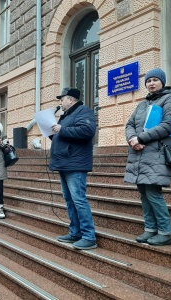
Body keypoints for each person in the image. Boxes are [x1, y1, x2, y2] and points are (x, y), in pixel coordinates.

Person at [125, 68, 171, 246]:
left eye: (155, 80)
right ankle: (150, 228)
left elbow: (170, 124)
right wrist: (132, 139)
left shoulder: (170, 99)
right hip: (139, 153)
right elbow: (130, 124)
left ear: (162, 82)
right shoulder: (142, 104)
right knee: (143, 192)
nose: (151, 83)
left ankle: (165, 232)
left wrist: (141, 138)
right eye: (148, 81)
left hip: (157, 152)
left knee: (153, 192)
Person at [50, 87, 97, 250]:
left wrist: (61, 129)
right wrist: (53, 133)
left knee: (79, 199)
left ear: (70, 100)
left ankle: (89, 236)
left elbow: (87, 131)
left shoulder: (84, 111)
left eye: (61, 99)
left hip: (75, 163)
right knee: (70, 200)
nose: (60, 103)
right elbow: (65, 135)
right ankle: (75, 232)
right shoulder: (67, 116)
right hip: (64, 162)